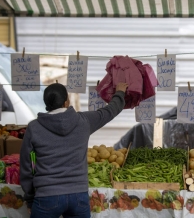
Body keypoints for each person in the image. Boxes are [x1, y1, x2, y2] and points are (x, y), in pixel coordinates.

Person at [20, 82, 128, 218]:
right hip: (78, 196)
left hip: (47, 197)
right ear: (66, 102)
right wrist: (120, 92)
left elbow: (26, 166)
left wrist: (29, 199)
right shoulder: (84, 121)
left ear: (46, 103)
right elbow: (110, 111)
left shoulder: (34, 128)